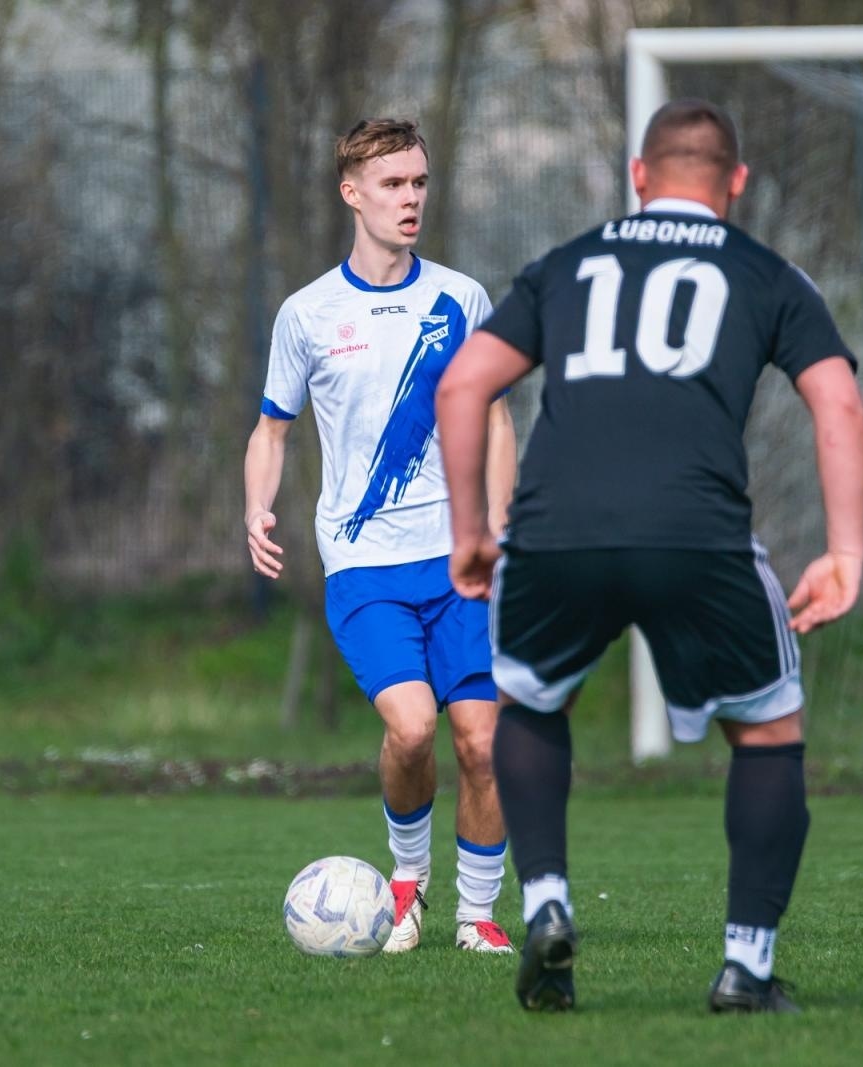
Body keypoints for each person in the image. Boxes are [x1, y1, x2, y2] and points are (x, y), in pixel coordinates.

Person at [434, 99, 863, 1010]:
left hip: (555, 531)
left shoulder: (567, 264)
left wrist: (469, 529)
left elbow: (465, 382)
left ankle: (548, 901)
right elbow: (838, 404)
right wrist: (844, 551)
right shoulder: (767, 273)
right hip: (695, 534)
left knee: (528, 698)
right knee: (767, 729)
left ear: (640, 176)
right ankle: (745, 966)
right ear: (736, 184)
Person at [245, 118, 518, 955]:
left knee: (481, 739)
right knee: (410, 728)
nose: (411, 199)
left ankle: (477, 917)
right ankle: (408, 882)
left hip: (461, 556)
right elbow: (271, 430)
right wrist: (257, 507)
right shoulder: (308, 313)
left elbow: (498, 418)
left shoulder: (461, 298)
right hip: (365, 565)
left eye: (420, 183)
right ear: (351, 192)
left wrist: (499, 525)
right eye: (394, 184)